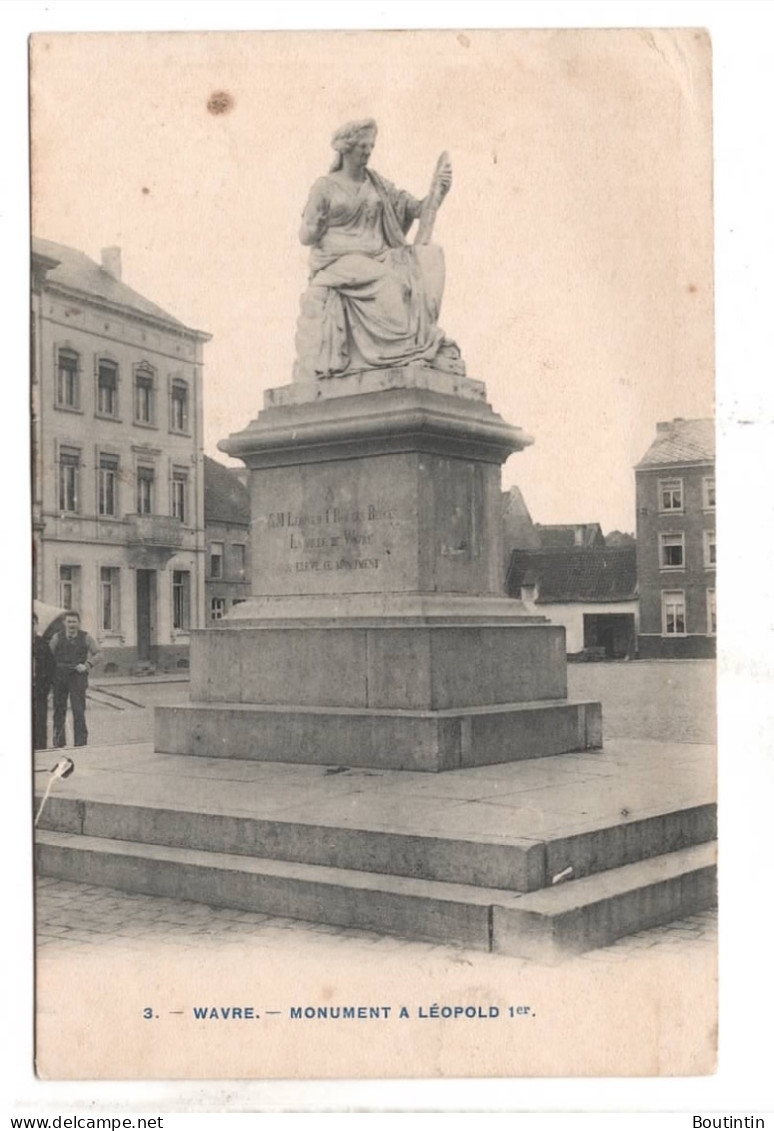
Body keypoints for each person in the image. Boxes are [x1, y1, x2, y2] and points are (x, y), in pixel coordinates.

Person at [294, 118, 464, 381]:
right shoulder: (324, 187)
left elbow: (418, 209)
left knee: (428, 259)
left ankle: (424, 343)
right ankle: (407, 351)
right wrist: (315, 224)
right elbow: (306, 236)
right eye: (362, 146)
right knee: (387, 280)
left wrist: (438, 191)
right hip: (338, 261)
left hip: (379, 254)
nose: (367, 151)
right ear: (346, 148)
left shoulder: (378, 184)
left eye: (371, 146)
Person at [49, 611, 101, 748]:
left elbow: (99, 654)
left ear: (79, 623)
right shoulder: (57, 637)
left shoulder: (86, 637)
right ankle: (58, 744)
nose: (72, 625)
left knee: (78, 710)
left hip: (78, 677)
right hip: (60, 677)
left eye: (74, 622)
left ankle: (80, 743)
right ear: (64, 623)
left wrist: (87, 665)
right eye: (69, 621)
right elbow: (48, 656)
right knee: (59, 710)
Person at [32, 612, 55, 750]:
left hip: (39, 689)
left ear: (36, 625)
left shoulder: (43, 645)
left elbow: (51, 668)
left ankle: (41, 748)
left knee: (40, 720)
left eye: (32, 624)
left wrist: (49, 689)